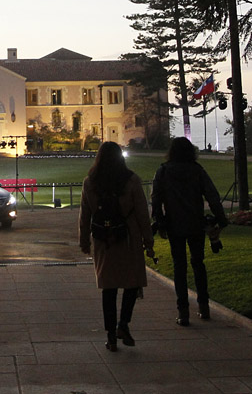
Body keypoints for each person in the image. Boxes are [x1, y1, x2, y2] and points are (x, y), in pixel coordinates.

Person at [78, 141, 153, 352]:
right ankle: (123, 324)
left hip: (104, 240)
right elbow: (141, 214)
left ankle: (111, 334)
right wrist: (148, 240)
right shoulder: (131, 180)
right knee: (132, 283)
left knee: (108, 289)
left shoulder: (90, 182)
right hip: (128, 237)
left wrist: (84, 240)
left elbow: (85, 215)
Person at [151, 136, 228, 326]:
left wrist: (159, 222)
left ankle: (183, 311)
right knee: (198, 264)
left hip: (174, 224)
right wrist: (221, 219)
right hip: (195, 223)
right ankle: (203, 306)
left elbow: (156, 199)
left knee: (180, 267)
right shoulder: (197, 171)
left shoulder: (163, 171)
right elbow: (212, 195)